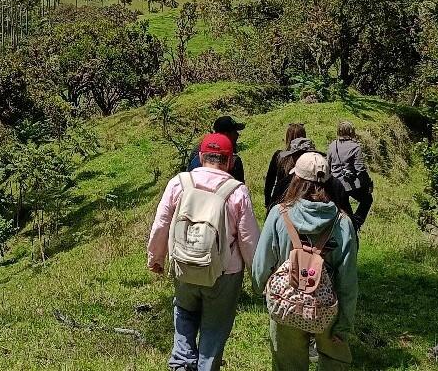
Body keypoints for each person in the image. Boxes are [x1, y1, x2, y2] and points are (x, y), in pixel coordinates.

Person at [149, 133, 261, 371]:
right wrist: (258, 277)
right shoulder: (237, 191)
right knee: (215, 327)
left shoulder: (179, 182)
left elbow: (161, 223)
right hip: (224, 273)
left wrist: (156, 258)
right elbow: (249, 239)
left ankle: (181, 364)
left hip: (184, 265)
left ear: (200, 157)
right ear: (230, 161)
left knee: (185, 312)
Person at [252, 152, 358, 371]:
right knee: (334, 362)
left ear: (296, 180)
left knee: (287, 365)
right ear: (329, 181)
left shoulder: (278, 214)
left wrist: (263, 290)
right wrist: (343, 326)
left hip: (287, 304)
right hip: (328, 308)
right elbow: (348, 282)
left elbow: (261, 264)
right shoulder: (343, 223)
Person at [267, 137, 353, 218]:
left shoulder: (284, 184)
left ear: (294, 158)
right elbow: (348, 217)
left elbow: (271, 217)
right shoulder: (336, 184)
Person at [328, 121, 374, 230]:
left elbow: (328, 165)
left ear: (338, 131)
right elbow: (360, 170)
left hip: (335, 184)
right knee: (367, 199)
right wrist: (368, 184)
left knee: (342, 209)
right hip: (351, 184)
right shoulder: (355, 147)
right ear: (351, 132)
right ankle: (356, 224)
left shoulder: (332, 145)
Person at [188, 115, 246, 182]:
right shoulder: (234, 159)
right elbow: (238, 188)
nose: (237, 135)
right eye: (235, 132)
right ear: (227, 134)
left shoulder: (197, 150)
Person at [264, 123, 307, 208]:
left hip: (280, 199)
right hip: (300, 199)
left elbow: (269, 181)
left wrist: (268, 201)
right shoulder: (307, 158)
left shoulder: (279, 156)